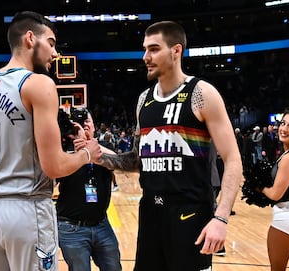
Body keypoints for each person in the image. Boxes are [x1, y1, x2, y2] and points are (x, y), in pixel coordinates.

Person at [0, 11, 101, 271]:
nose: (55, 53)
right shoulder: (39, 84)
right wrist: (88, 154)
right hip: (27, 208)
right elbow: (54, 167)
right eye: (50, 43)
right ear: (30, 39)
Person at [97, 21, 243, 270]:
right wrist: (98, 155)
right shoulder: (144, 100)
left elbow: (233, 160)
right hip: (151, 212)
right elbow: (138, 159)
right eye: (144, 49)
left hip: (190, 213)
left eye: (154, 49)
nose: (146, 57)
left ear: (176, 51)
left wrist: (221, 217)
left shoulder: (201, 93)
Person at [56, 109, 121, 271]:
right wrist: (78, 154)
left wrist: (90, 147)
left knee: (114, 267)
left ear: (94, 126)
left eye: (88, 121)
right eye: (80, 122)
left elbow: (118, 162)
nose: (84, 124)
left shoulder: (104, 146)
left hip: (101, 223)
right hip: (71, 227)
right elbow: (50, 183)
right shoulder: (63, 150)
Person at [260, 108, 289, 270]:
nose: (284, 129)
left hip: (286, 218)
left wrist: (258, 187)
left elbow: (275, 194)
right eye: (283, 123)